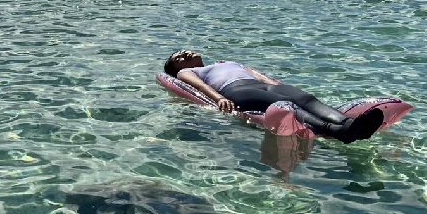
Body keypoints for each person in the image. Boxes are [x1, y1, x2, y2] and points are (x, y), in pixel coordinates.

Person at [163, 51, 384, 143]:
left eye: (185, 51)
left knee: (305, 99)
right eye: (179, 57)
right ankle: (337, 132)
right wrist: (218, 98)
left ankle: (350, 123)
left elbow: (259, 75)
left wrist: (281, 86)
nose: (186, 54)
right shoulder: (188, 73)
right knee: (285, 106)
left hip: (259, 85)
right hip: (237, 91)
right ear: (177, 67)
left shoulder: (225, 63)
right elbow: (199, 86)